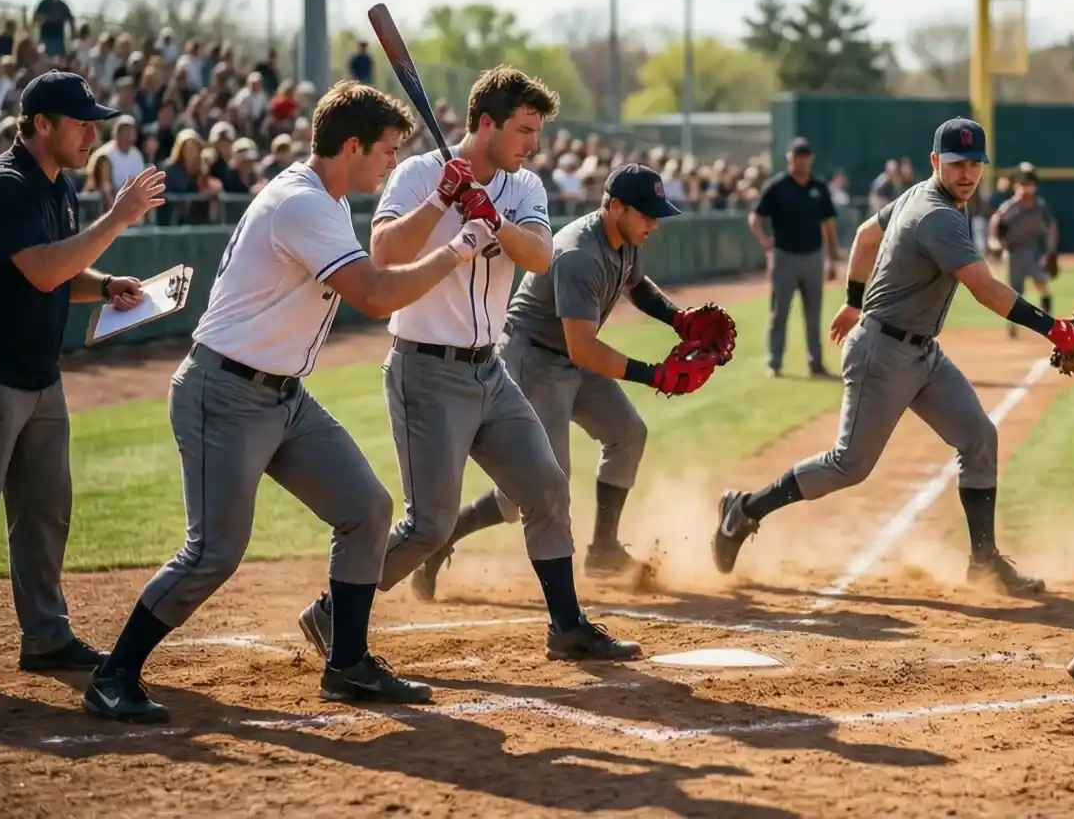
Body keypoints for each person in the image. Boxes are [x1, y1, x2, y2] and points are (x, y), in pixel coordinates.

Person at [82, 81, 499, 724]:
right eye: (385, 150)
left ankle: (349, 664)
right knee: (213, 552)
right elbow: (376, 295)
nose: (391, 163)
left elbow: (377, 274)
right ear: (351, 145)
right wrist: (458, 244)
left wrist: (442, 199)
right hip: (224, 392)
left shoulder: (321, 198)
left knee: (366, 508)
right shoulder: (302, 204)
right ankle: (114, 675)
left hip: (283, 395)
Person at [711, 118, 1074, 596]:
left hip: (922, 352)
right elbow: (983, 287)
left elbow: (864, 235)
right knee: (848, 465)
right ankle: (745, 509)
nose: (966, 174)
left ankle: (983, 561)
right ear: (935, 163)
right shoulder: (936, 214)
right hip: (882, 355)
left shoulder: (926, 195)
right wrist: (1054, 329)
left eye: (974, 164)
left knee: (978, 437)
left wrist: (853, 300)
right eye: (956, 164)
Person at [325, 65, 642, 662]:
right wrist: (444, 199)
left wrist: (491, 217)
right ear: (487, 123)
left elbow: (541, 256)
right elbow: (383, 252)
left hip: (489, 370)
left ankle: (567, 626)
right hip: (425, 368)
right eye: (524, 130)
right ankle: (331, 612)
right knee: (430, 526)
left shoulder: (524, 188)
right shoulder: (419, 173)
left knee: (546, 488)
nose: (534, 143)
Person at [0, 71, 163, 694]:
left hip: (39, 374)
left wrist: (105, 283)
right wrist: (117, 218)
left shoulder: (55, 187)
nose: (91, 132)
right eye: (80, 122)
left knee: (44, 513)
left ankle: (46, 634)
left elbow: (62, 271)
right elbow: (40, 271)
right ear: (41, 124)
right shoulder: (3, 183)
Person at [414, 163, 726, 612]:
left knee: (627, 433)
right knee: (542, 484)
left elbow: (635, 285)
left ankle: (602, 549)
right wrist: (655, 375)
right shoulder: (580, 253)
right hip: (533, 359)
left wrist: (678, 320)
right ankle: (440, 540)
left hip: (569, 356)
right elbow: (583, 349)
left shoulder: (624, 237)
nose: (654, 224)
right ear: (615, 206)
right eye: (647, 214)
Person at [751, 137, 840, 378]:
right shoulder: (777, 186)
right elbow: (755, 218)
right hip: (785, 257)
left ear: (810, 159)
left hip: (813, 257)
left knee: (813, 315)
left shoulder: (819, 188)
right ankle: (775, 362)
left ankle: (816, 362)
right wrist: (767, 247)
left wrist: (832, 257)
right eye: (796, 157)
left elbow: (828, 224)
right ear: (789, 159)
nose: (800, 162)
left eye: (805, 157)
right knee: (779, 312)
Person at [986, 162, 1059, 339]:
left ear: (1035, 186)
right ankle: (1012, 326)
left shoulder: (1040, 207)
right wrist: (994, 241)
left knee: (1042, 284)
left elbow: (1051, 227)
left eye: (1028, 184)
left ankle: (1048, 323)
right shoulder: (1011, 206)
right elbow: (996, 220)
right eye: (1021, 184)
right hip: (1015, 252)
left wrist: (1051, 251)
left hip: (1033, 251)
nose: (1025, 188)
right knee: (1015, 293)